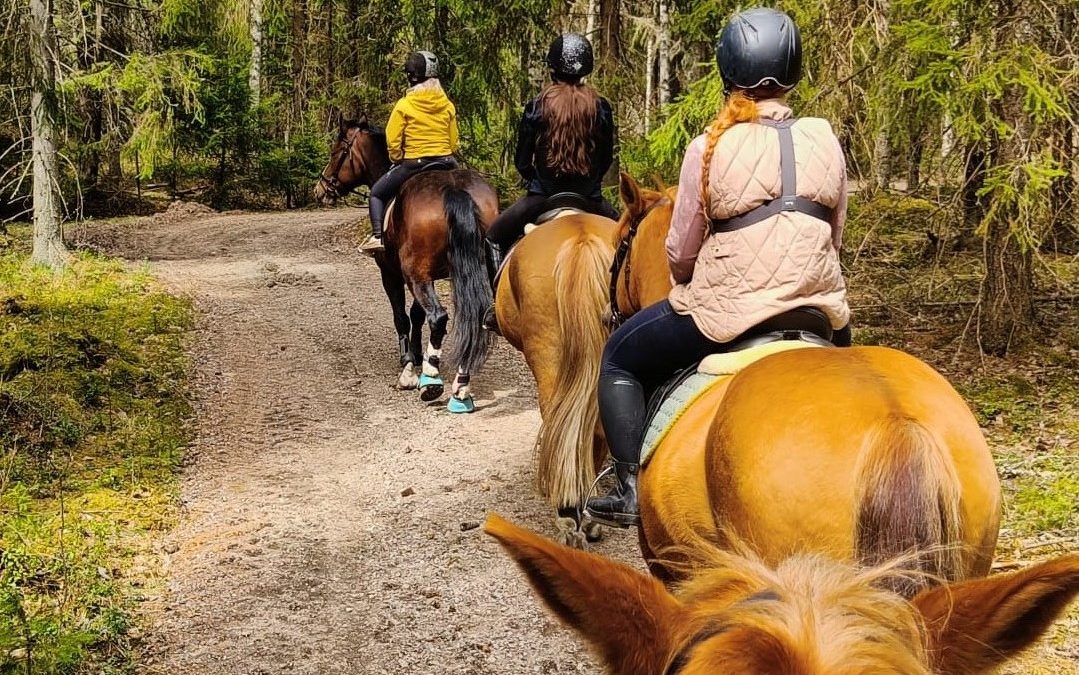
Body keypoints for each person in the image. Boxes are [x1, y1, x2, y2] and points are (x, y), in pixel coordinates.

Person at [585, 7, 853, 528]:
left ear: (729, 72)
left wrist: (694, 281)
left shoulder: (708, 146)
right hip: (819, 310)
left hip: (730, 314)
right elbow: (834, 237)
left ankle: (630, 489)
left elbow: (681, 254)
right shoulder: (824, 138)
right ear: (792, 70)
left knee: (618, 357)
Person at [482, 33, 619, 329]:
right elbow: (606, 158)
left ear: (552, 68)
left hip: (542, 197)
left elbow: (522, 160)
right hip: (590, 199)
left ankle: (495, 308)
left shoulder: (537, 106)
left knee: (493, 237)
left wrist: (536, 179)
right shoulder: (602, 107)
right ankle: (624, 306)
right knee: (629, 238)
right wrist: (591, 182)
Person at [360, 51, 459, 256]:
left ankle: (377, 237)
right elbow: (453, 141)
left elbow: (392, 139)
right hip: (447, 162)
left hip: (415, 163)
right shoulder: (448, 105)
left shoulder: (404, 105)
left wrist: (396, 157)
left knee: (376, 194)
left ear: (411, 77)